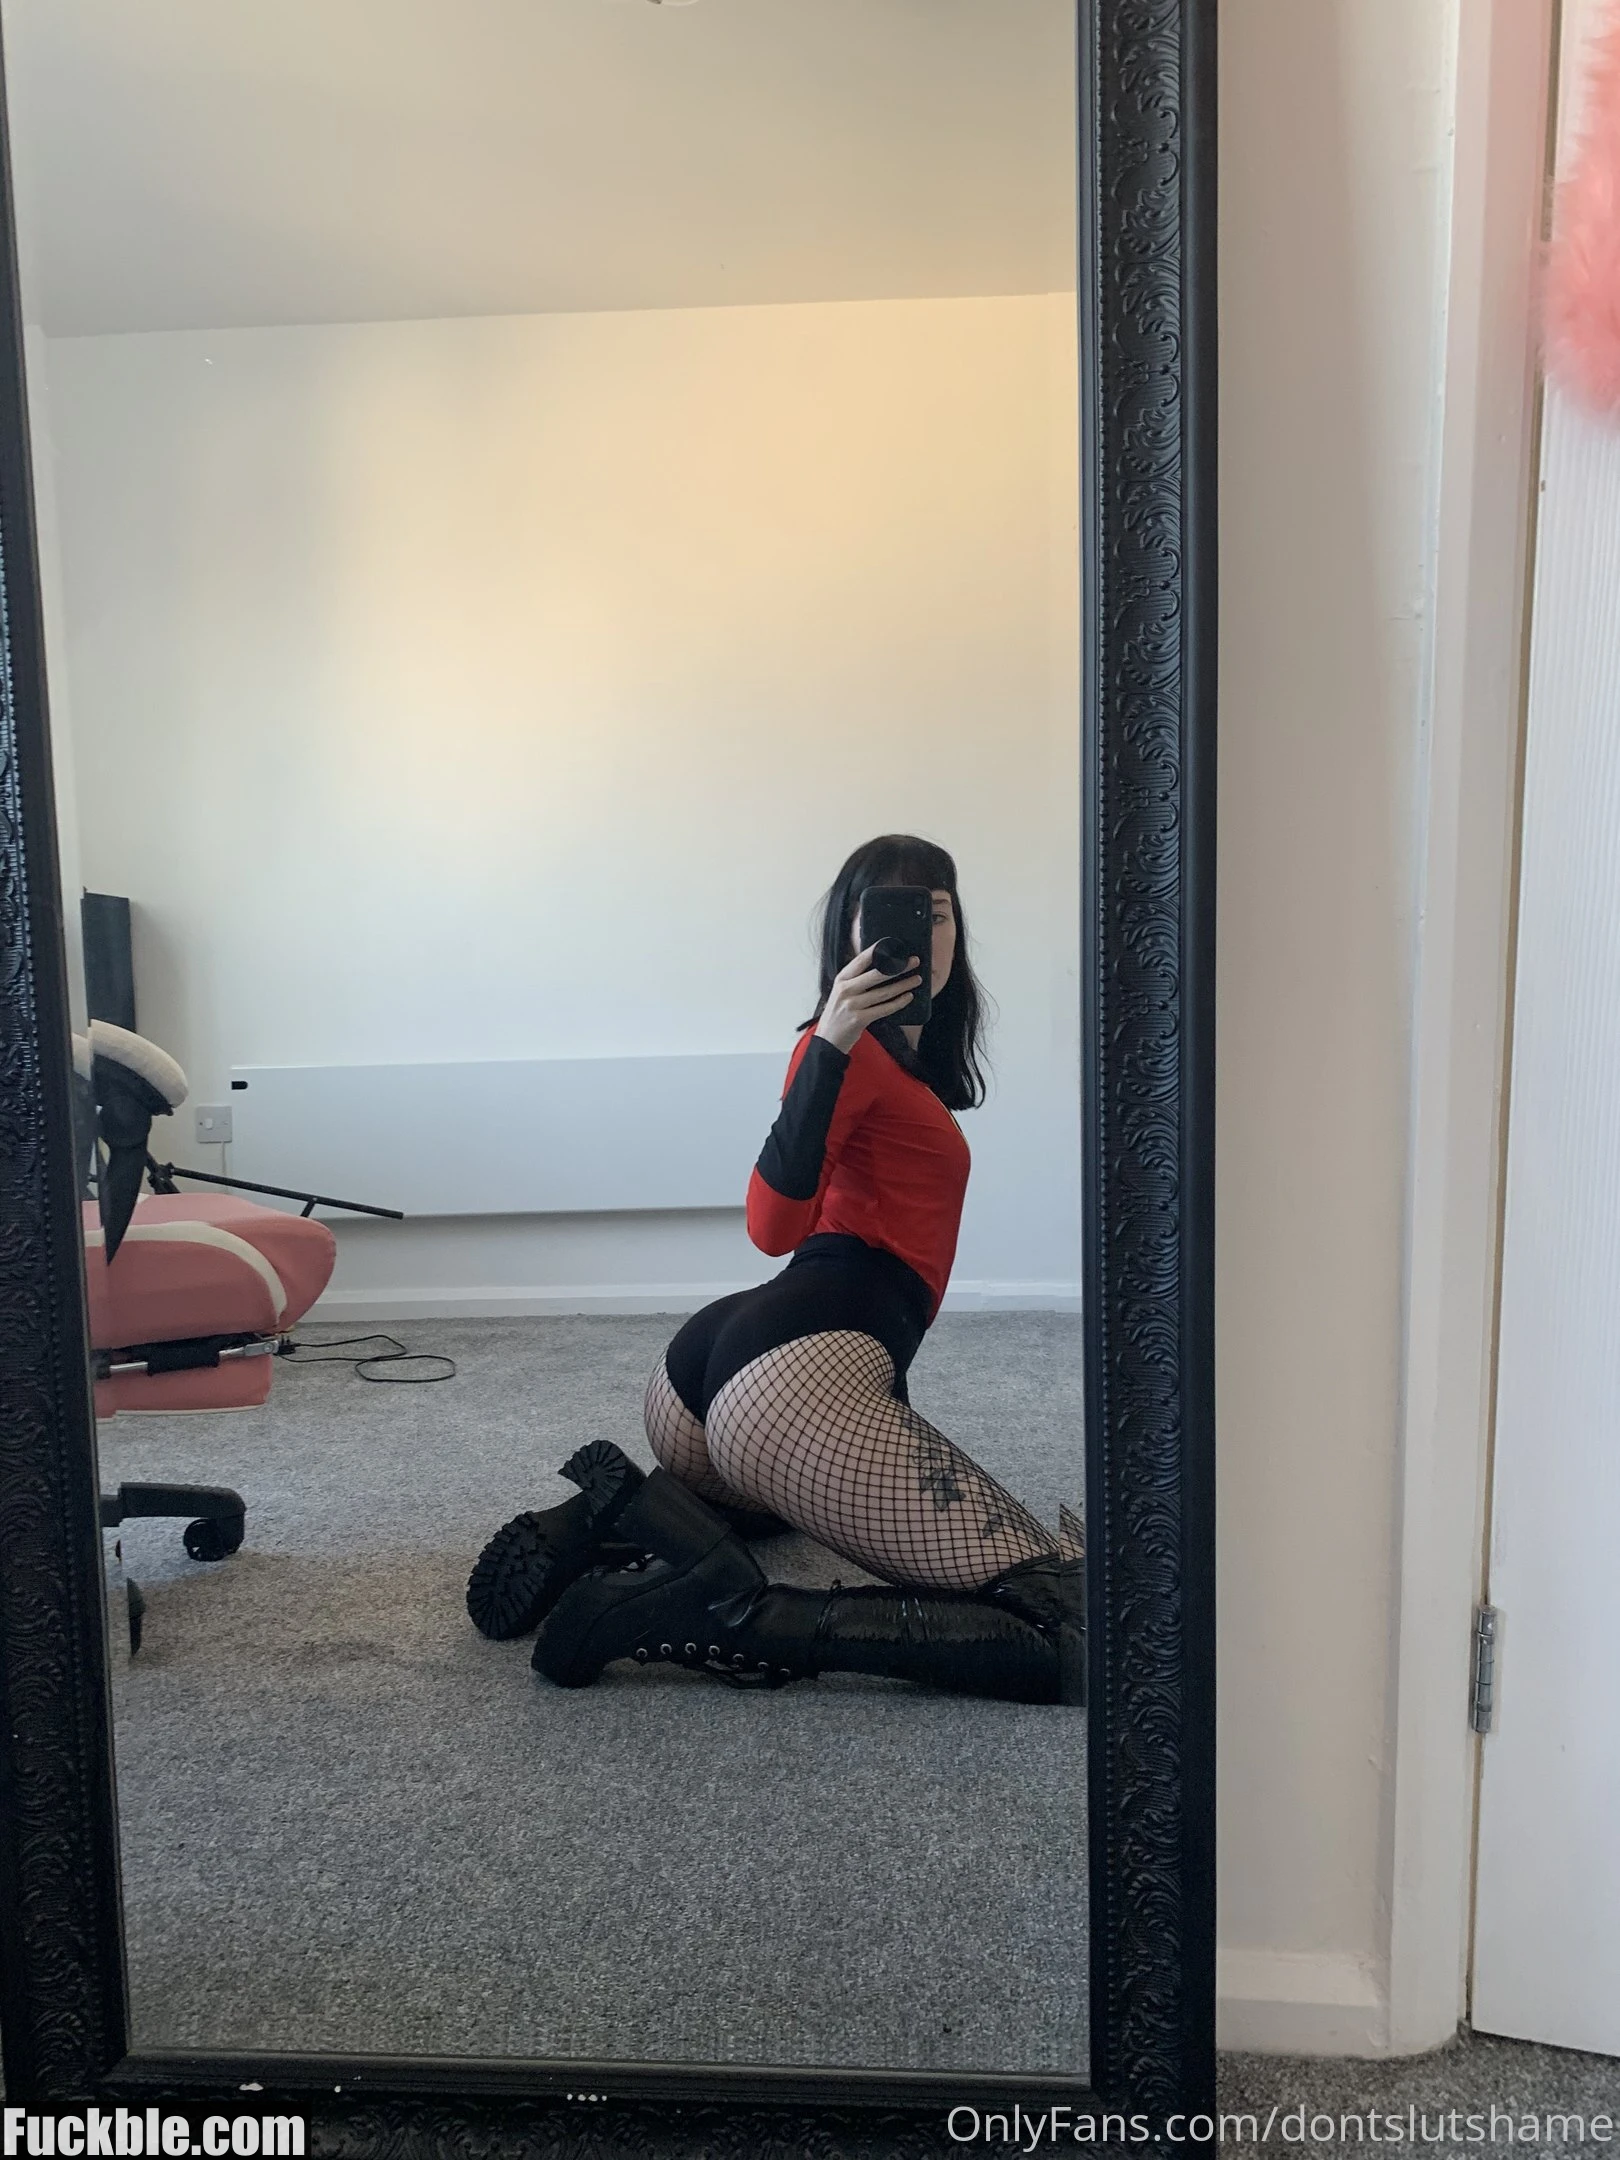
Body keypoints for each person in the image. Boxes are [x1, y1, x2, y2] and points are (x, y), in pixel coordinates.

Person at [467, 835, 1084, 1704]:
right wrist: (830, 1039)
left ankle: (611, 1520)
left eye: (939, 913)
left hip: (720, 1378)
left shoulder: (904, 1068)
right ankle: (733, 1614)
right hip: (789, 1376)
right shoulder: (844, 1050)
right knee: (1073, 1625)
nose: (923, 933)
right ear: (848, 935)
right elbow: (770, 1228)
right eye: (892, 913)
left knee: (774, 1508)